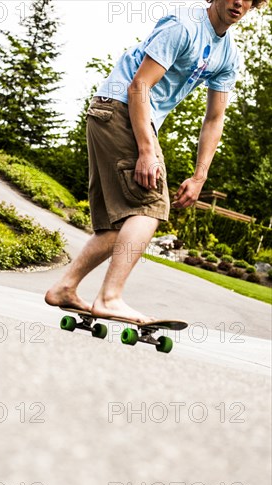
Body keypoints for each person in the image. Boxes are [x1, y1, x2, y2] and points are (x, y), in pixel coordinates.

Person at [45, 0, 266, 322]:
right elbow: (139, 86)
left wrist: (200, 176)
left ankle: (65, 287)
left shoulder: (228, 54)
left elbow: (214, 119)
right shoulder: (183, 25)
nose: (238, 2)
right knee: (150, 207)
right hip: (121, 107)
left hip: (116, 114)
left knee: (119, 222)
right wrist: (147, 151)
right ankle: (110, 298)